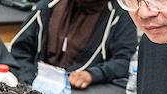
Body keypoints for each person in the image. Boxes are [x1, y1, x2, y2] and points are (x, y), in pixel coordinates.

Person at [9, 0, 137, 88]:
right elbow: (19, 51)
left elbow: (126, 61)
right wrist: (30, 81)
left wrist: (93, 74)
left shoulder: (119, 14)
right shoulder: (49, 5)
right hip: (36, 84)